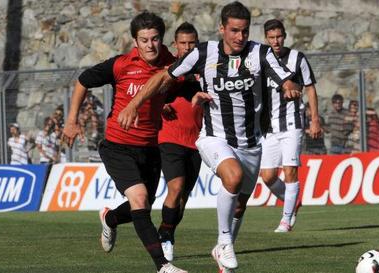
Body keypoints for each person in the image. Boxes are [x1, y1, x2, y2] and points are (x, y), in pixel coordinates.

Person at [117, 2, 320, 272]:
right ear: (222, 28)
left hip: (251, 143)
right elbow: (163, 77)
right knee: (232, 177)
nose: (240, 37)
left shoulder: (260, 53)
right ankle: (224, 242)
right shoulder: (204, 53)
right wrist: (134, 104)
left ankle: (222, 253)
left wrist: (290, 86)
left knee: (240, 205)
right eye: (234, 30)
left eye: (245, 31)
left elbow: (286, 78)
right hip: (214, 137)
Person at [62, 10, 187, 273]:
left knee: (139, 207)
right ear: (135, 41)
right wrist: (71, 120)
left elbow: (178, 90)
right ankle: (163, 267)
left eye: (154, 39)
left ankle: (109, 218)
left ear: (161, 39)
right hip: (118, 146)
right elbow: (83, 81)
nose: (150, 45)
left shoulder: (172, 64)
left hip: (151, 148)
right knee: (140, 199)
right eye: (144, 40)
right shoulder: (121, 64)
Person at [259, 19, 321, 233]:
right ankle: (292, 201)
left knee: (290, 171)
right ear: (266, 38)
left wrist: (315, 119)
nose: (276, 41)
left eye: (279, 37)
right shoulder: (262, 59)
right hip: (268, 127)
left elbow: (310, 88)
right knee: (267, 176)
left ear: (284, 36)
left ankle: (286, 221)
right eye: (271, 37)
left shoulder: (297, 58)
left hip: (292, 123)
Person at [157, 22, 203, 262]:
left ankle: (167, 231)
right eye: (183, 43)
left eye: (191, 43)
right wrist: (160, 103)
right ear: (175, 45)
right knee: (174, 189)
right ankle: (165, 239)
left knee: (182, 199)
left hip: (197, 141)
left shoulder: (206, 68)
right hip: (170, 138)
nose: (187, 47)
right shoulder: (169, 69)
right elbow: (150, 91)